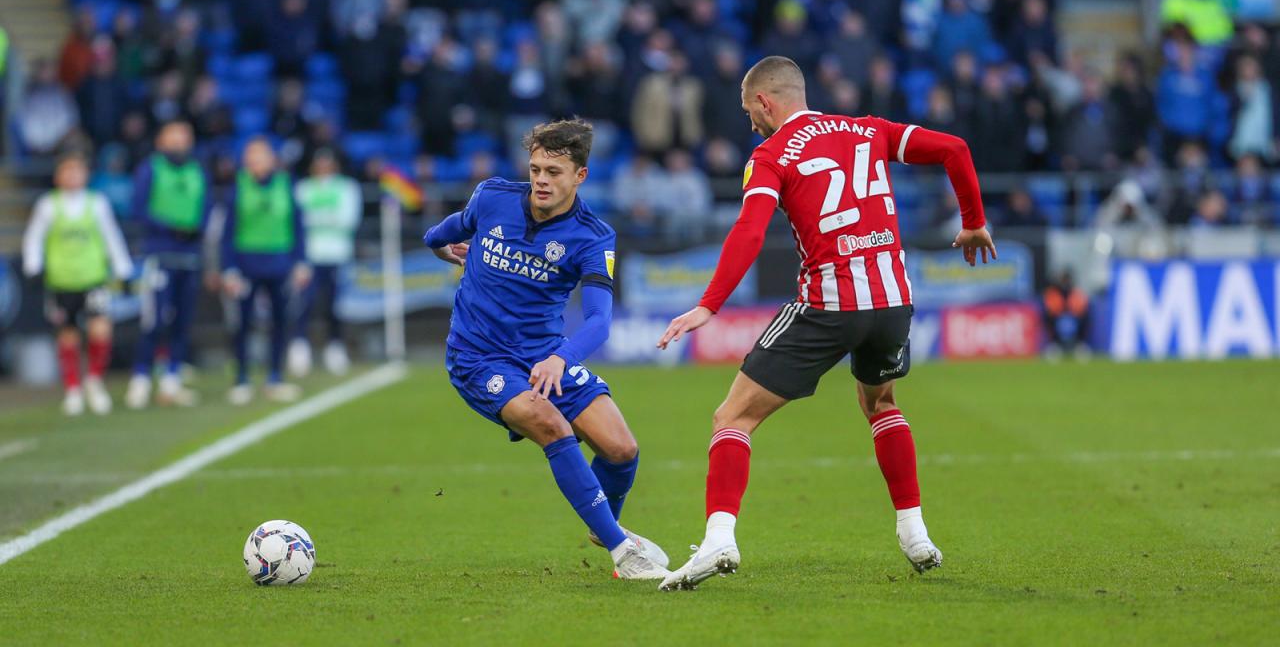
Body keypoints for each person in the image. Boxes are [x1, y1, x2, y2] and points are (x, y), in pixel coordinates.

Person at [655, 56, 995, 591]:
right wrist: (973, 222)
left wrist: (710, 303)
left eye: (750, 111)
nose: (750, 123)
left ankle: (719, 539)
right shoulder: (868, 129)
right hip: (893, 300)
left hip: (830, 302)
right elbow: (955, 149)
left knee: (732, 418)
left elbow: (749, 230)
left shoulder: (769, 155)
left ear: (765, 102)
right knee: (881, 403)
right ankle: (915, 533)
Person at [423, 119, 669, 581]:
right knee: (551, 424)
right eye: (535, 168)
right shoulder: (492, 197)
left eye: (554, 172)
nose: (540, 179)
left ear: (580, 176)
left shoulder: (593, 236)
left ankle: (604, 527)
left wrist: (561, 357)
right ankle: (622, 551)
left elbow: (598, 321)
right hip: (479, 358)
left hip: (546, 357)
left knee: (621, 449)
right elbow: (436, 235)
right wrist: (448, 252)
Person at [22, 152, 133, 415]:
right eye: (67, 171)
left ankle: (94, 381)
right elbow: (34, 238)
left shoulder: (97, 204)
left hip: (93, 278)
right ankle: (73, 389)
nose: (72, 176)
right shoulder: (48, 205)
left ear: (85, 175)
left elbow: (111, 237)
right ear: (58, 176)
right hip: (62, 281)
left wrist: (123, 269)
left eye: (77, 171)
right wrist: (33, 267)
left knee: (100, 330)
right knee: (67, 335)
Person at [126, 121, 211, 409]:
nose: (179, 143)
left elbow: (206, 208)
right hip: (159, 255)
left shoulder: (198, 172)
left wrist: (194, 229)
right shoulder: (150, 169)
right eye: (173, 137)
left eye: (184, 137)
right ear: (161, 141)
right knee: (154, 319)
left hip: (189, 257)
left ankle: (171, 379)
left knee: (183, 321)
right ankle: (140, 378)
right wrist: (171, 228)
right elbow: (138, 209)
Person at [220, 138, 310, 405]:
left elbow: (297, 226)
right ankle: (242, 379)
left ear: (271, 159)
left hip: (280, 263)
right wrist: (229, 268)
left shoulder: (286, 184)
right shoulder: (238, 187)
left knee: (280, 321)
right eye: (251, 157)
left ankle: (275, 377)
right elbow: (227, 232)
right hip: (247, 264)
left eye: (260, 156)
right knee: (242, 323)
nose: (255, 162)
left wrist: (301, 262)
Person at [289, 148, 362, 377]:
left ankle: (335, 347)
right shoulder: (303, 188)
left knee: (335, 305)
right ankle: (300, 347)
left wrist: (315, 218)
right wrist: (327, 217)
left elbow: (348, 220)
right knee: (304, 304)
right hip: (308, 257)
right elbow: (296, 223)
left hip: (338, 255)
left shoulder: (347, 187)